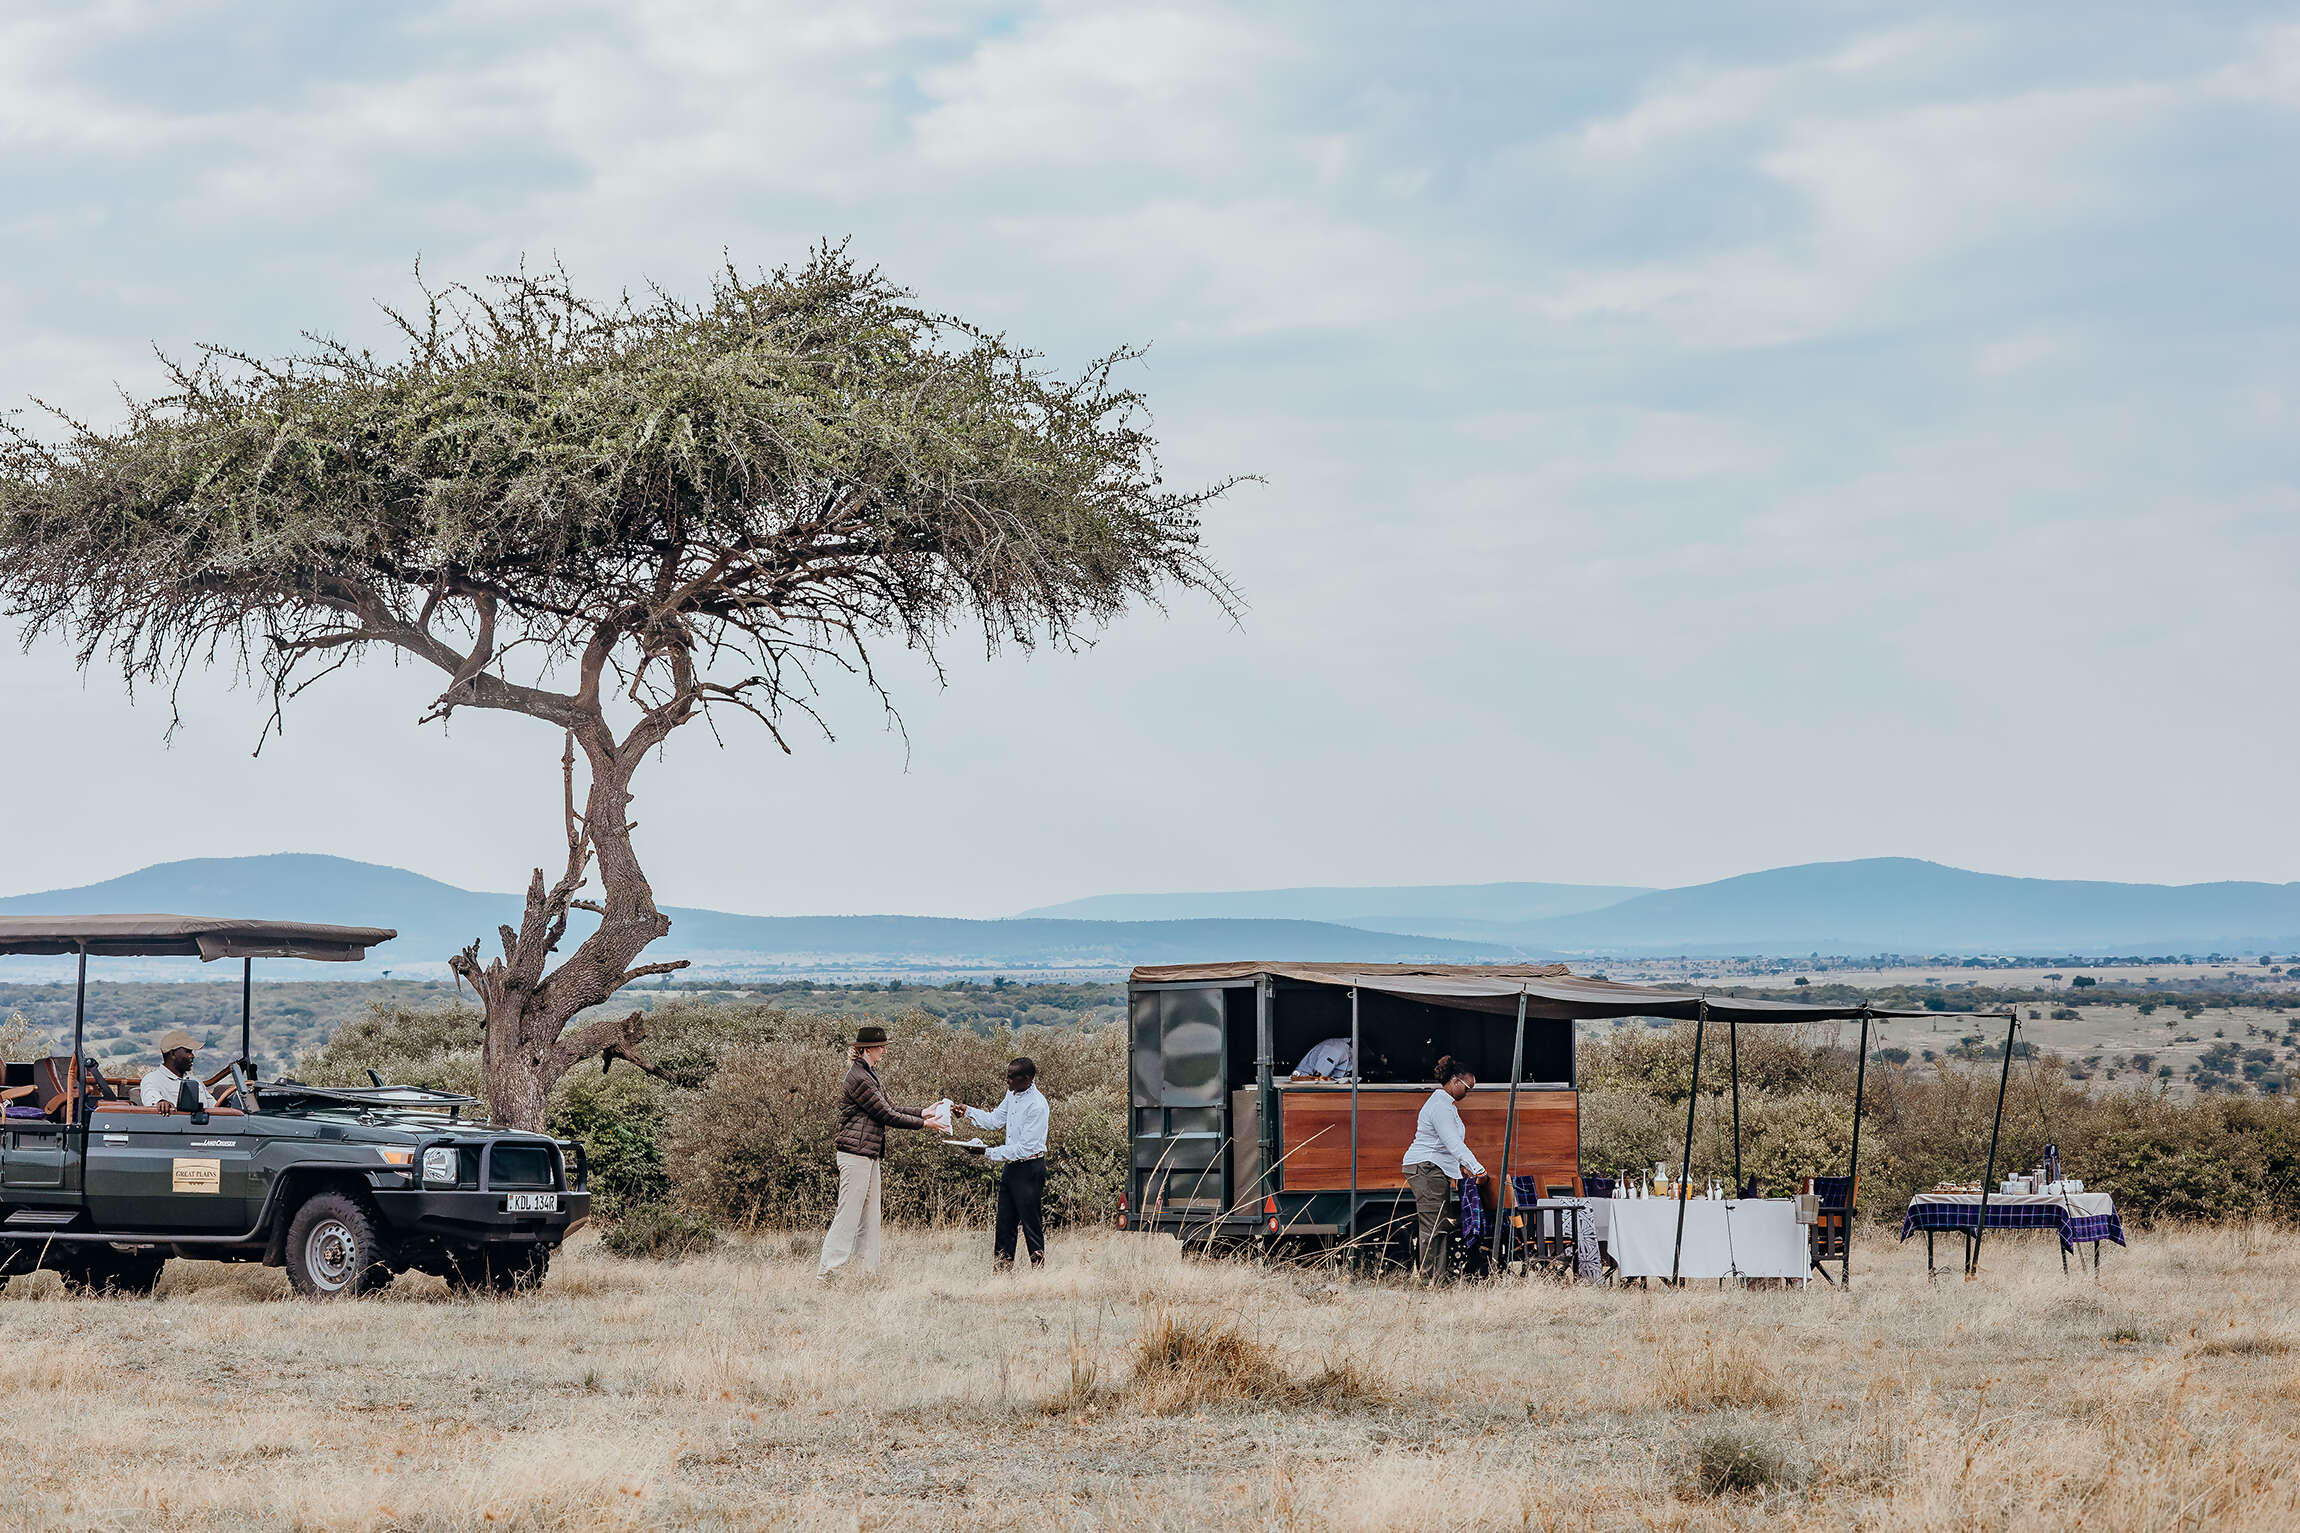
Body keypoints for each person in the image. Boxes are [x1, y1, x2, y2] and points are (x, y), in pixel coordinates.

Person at [818, 1026, 928, 1279]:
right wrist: (925, 1124)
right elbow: (886, 1115)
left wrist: (924, 1112)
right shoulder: (858, 1078)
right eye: (880, 1046)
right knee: (848, 1214)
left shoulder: (869, 1074)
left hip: (868, 1153)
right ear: (867, 1049)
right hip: (855, 1153)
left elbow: (890, 1106)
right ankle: (828, 1271)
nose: (884, 1050)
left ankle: (865, 1272)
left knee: (869, 1215)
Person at [955, 1056, 1050, 1270]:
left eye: (1011, 1078)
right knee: (1004, 1223)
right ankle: (1001, 1274)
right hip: (1011, 1168)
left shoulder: (1037, 1106)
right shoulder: (1012, 1094)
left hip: (1030, 1168)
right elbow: (995, 1119)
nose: (1007, 1081)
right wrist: (968, 1111)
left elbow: (1024, 1148)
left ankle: (1039, 1273)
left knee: (1031, 1224)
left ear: (1026, 1078)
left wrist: (987, 1152)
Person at [1402, 1055, 1484, 1282]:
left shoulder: (1445, 1105)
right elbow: (1453, 1143)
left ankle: (1437, 1276)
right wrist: (1477, 1169)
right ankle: (1431, 1280)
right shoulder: (1440, 1107)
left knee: (1437, 1224)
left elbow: (1445, 1145)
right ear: (1456, 1080)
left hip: (1431, 1167)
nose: (1468, 1094)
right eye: (1468, 1088)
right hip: (1426, 1168)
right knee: (1433, 1226)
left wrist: (1462, 1167)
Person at [140, 1030, 217, 1114]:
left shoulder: (196, 1081)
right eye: (188, 1051)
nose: (192, 1056)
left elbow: (215, 1106)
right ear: (173, 1054)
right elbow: (151, 1097)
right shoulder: (152, 1079)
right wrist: (161, 1103)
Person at [1291, 1036, 1355, 1079]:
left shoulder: (1347, 1050)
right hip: (1305, 1081)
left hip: (1315, 1081)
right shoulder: (1336, 1050)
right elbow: (1318, 1076)